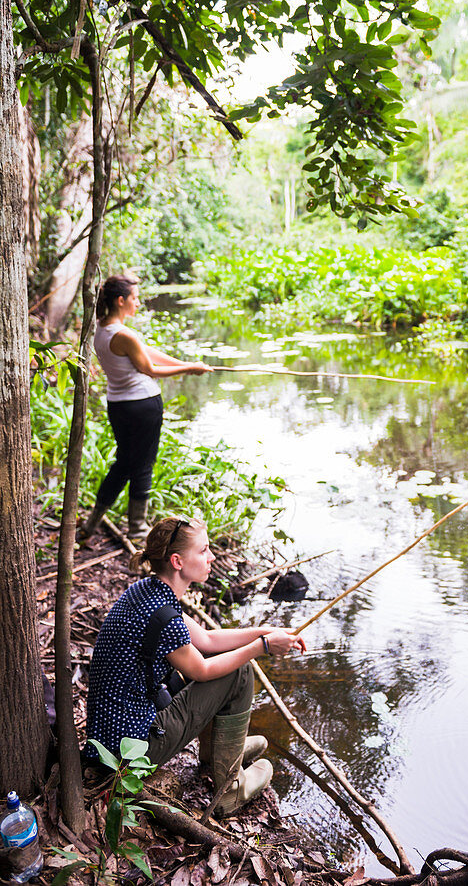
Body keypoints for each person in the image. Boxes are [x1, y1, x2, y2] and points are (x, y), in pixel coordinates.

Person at [84, 516, 306, 813]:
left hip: (111, 737)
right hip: (131, 750)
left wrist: (263, 631)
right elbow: (201, 670)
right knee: (239, 670)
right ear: (177, 561)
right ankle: (230, 789)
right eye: (203, 550)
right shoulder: (163, 615)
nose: (211, 556)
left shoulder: (149, 590)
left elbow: (206, 640)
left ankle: (216, 752)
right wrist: (262, 647)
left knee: (229, 658)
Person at [81, 275, 212, 542]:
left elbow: (146, 352)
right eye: (135, 298)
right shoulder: (123, 334)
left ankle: (92, 523)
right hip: (142, 407)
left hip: (118, 406)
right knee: (142, 466)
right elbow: (149, 368)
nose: (138, 303)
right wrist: (189, 369)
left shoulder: (101, 328)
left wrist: (187, 362)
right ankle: (139, 529)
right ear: (121, 301)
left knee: (123, 464)